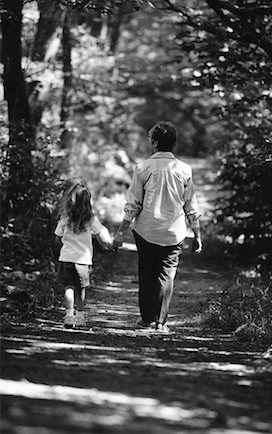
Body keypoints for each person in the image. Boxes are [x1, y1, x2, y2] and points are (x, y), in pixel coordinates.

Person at [113, 121, 202, 332]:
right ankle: (161, 323)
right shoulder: (184, 169)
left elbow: (132, 204)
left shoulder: (142, 168)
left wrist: (120, 233)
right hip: (174, 232)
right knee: (167, 275)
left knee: (147, 273)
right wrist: (197, 233)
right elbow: (191, 205)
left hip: (146, 230)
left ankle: (146, 318)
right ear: (174, 143)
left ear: (154, 143)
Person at [55, 182, 112, 328]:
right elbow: (103, 235)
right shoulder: (90, 220)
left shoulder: (65, 219)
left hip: (66, 258)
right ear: (88, 202)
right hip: (83, 261)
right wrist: (109, 244)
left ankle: (69, 315)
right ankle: (79, 316)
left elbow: (57, 237)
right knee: (81, 289)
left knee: (68, 287)